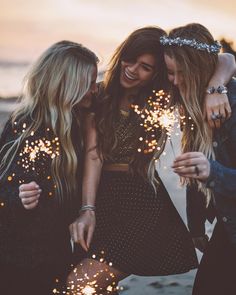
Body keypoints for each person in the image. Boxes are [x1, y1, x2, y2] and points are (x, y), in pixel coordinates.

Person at [20, 27, 235, 295]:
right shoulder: (98, 95)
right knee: (92, 285)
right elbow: (93, 154)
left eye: (145, 67)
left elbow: (224, 58)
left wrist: (217, 86)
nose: (132, 69)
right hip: (100, 198)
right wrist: (88, 208)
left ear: (157, 72)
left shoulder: (166, 94)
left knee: (80, 284)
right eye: (129, 59)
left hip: (140, 204)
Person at [0, 40, 98, 295]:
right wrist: (18, 197)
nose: (94, 90)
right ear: (66, 84)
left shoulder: (77, 122)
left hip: (57, 249)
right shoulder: (26, 125)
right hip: (20, 257)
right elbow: (5, 187)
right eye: (88, 84)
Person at [161, 23, 236, 294]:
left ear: (202, 68)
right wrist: (195, 227)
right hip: (227, 225)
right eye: (170, 73)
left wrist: (212, 172)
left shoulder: (231, 104)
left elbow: (206, 170)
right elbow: (196, 172)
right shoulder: (192, 102)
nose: (176, 81)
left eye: (182, 73)